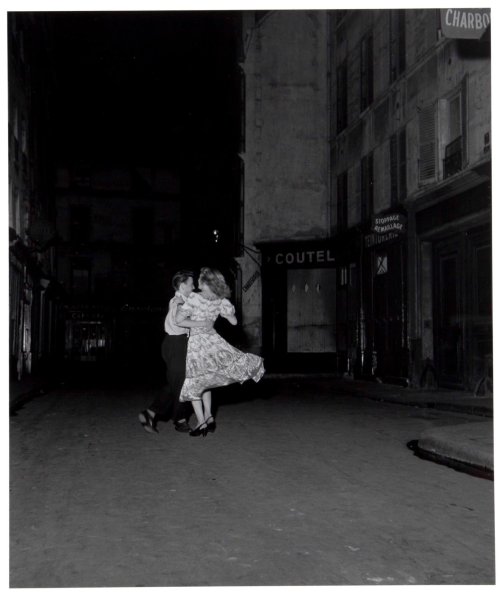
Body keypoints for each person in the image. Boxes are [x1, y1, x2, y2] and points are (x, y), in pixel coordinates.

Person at [176, 267, 265, 437]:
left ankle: (201, 421)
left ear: (205, 282)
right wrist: (221, 314)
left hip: (197, 344)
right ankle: (209, 416)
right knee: (206, 380)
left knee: (195, 383)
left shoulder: (194, 298)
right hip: (213, 342)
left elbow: (179, 321)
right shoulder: (220, 299)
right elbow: (233, 321)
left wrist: (201, 323)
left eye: (200, 280)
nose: (197, 283)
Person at [138, 270, 213, 434]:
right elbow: (181, 320)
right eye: (190, 284)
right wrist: (202, 323)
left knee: (177, 383)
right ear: (182, 286)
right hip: (175, 344)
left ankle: (150, 413)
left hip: (179, 343)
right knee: (181, 382)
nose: (193, 287)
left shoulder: (183, 300)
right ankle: (179, 419)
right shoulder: (178, 302)